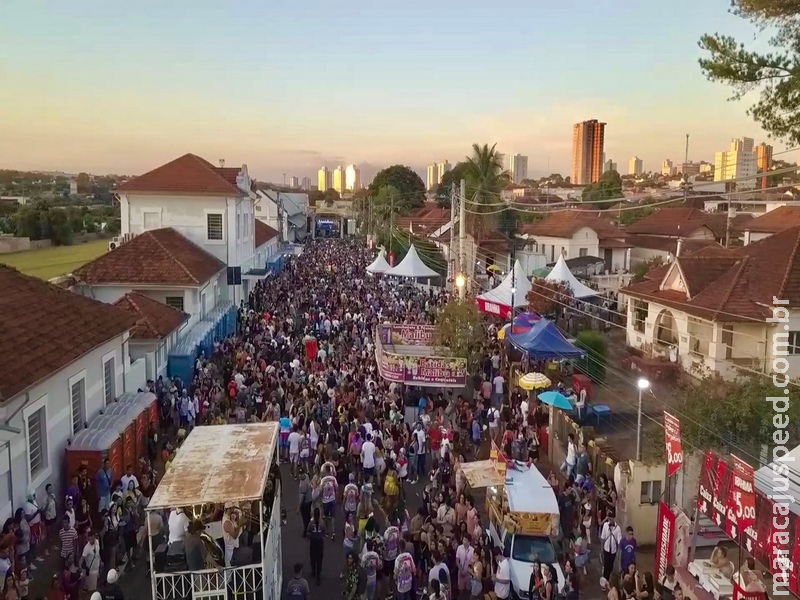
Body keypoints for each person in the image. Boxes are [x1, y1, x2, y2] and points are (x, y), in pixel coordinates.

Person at [601, 512, 622, 580]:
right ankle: (605, 579)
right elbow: (603, 537)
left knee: (611, 565)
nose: (610, 520)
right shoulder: (605, 525)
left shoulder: (617, 528)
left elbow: (619, 541)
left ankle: (609, 578)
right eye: (609, 518)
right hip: (606, 548)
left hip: (613, 549)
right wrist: (601, 549)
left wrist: (619, 552)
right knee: (606, 564)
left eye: (612, 518)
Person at [307, 508, 325, 585]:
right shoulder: (322, 523)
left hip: (313, 542)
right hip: (320, 542)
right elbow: (324, 532)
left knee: (313, 558)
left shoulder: (311, 523)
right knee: (319, 560)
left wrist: (310, 536)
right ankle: (318, 576)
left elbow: (308, 532)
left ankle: (313, 571)